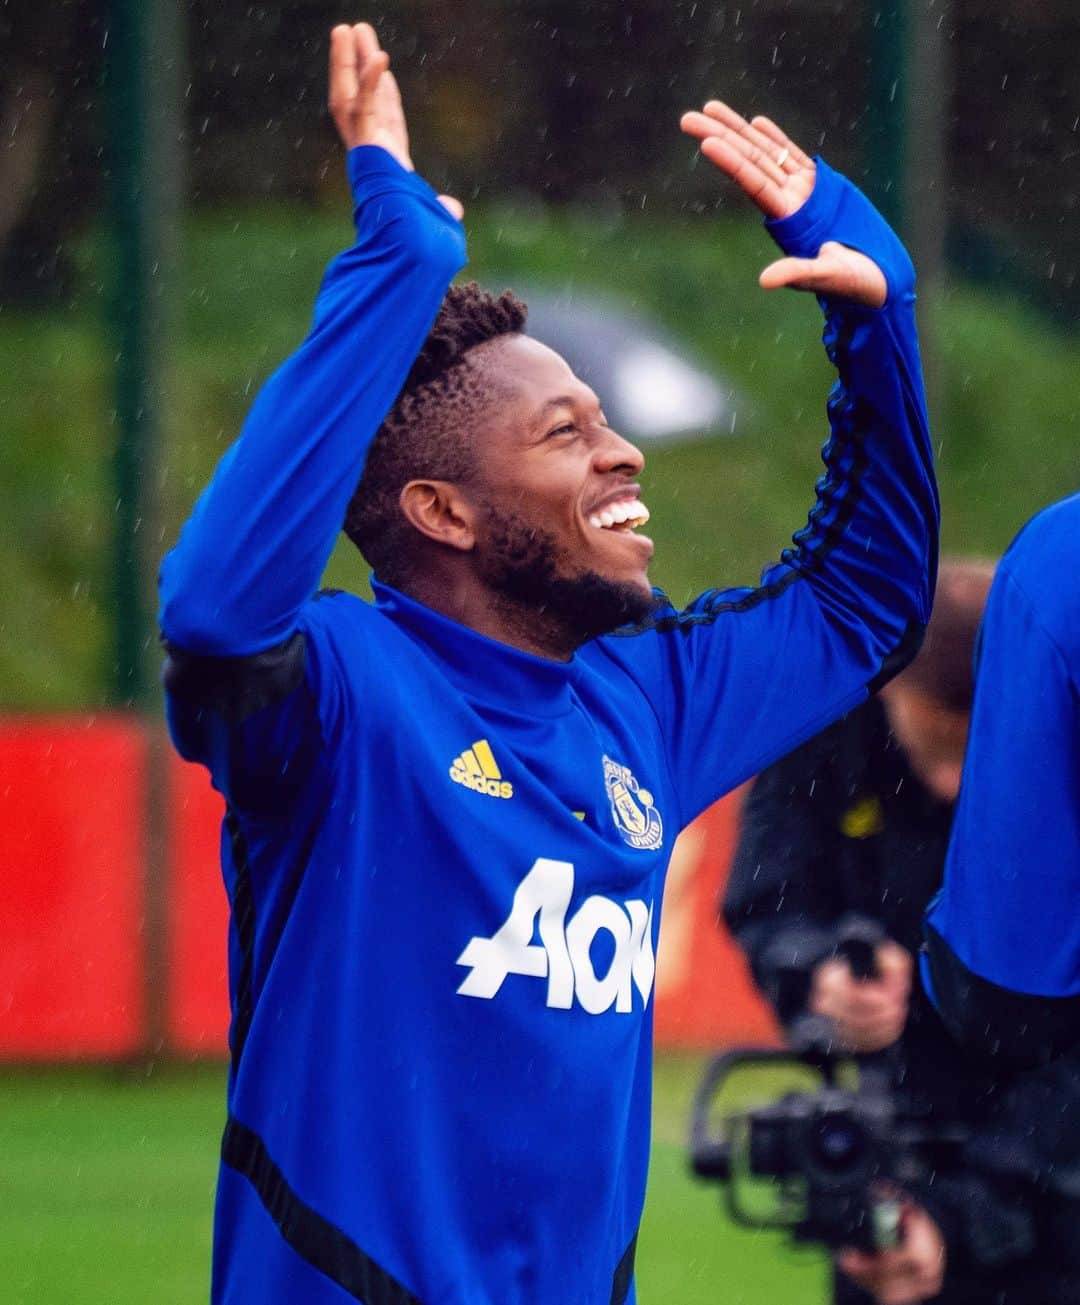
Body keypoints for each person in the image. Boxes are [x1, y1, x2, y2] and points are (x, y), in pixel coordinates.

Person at [158, 22, 938, 1305]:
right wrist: (396, 272)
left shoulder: (644, 705)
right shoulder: (342, 694)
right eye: (566, 433)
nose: (622, 451)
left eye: (608, 420)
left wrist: (878, 316)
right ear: (442, 514)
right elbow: (214, 610)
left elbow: (861, 604)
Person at [723, 559, 1058, 1305]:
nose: (952, 783)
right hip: (885, 1160)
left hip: (1056, 1177)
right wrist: (820, 978)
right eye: (935, 744)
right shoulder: (825, 724)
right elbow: (768, 900)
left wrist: (967, 1214)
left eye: (978, 750)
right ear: (891, 685)